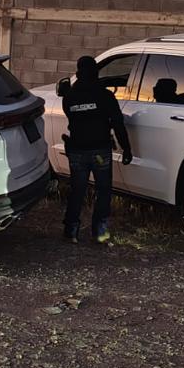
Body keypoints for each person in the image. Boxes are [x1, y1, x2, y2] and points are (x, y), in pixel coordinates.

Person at [62, 55, 132, 244]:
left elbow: (71, 116)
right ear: (96, 72)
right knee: (103, 191)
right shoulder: (105, 95)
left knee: (77, 191)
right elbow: (118, 123)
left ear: (78, 72)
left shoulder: (69, 96)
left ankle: (71, 231)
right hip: (100, 152)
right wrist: (126, 148)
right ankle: (100, 232)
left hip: (77, 151)